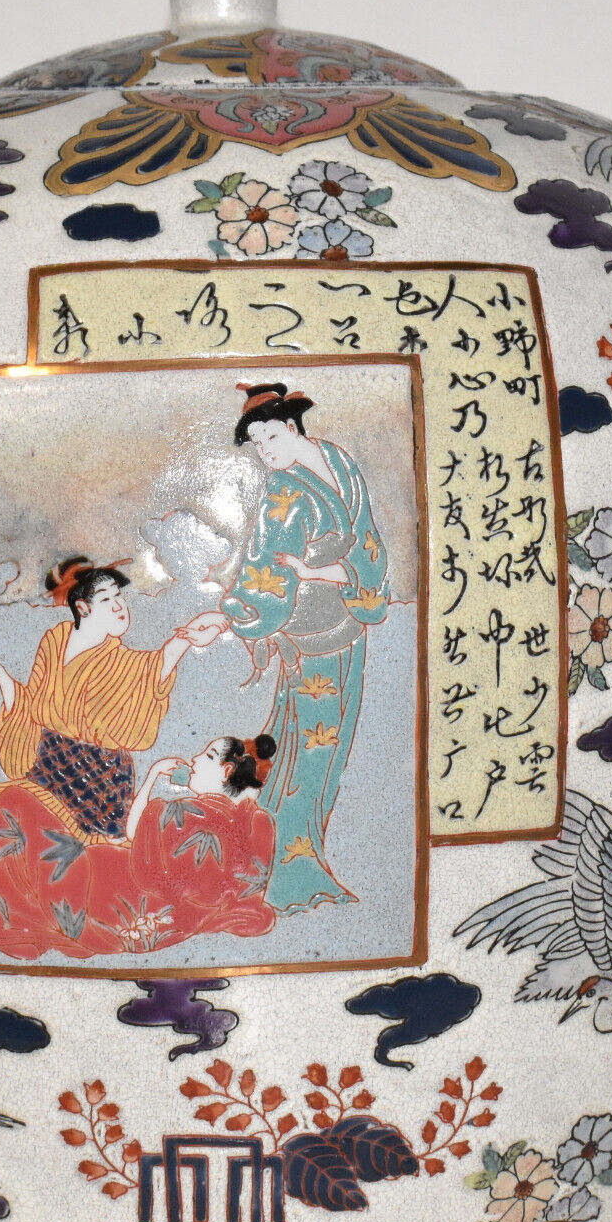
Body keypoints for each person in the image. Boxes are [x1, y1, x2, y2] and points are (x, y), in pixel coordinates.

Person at [186, 382, 389, 914]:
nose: (266, 452)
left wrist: (323, 570)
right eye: (256, 444)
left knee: (328, 751)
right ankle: (288, 871)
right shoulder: (283, 490)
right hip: (309, 636)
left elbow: (368, 544)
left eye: (271, 437)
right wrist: (235, 616)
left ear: (293, 427)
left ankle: (288, 857)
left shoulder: (340, 464)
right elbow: (263, 570)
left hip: (347, 623)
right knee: (305, 755)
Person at [0, 556, 205, 863]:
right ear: (83, 608)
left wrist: (185, 640)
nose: (119, 606)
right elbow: (30, 705)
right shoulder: (55, 640)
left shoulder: (122, 661)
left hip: (96, 785)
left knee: (17, 837)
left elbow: (153, 669)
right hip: (47, 772)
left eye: (119, 596)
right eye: (106, 599)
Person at [0, 733, 279, 962]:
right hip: (151, 923)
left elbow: (135, 830)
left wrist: (152, 776)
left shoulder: (190, 814)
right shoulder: (255, 823)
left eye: (207, 755)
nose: (195, 759)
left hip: (105, 904)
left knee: (16, 801)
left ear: (226, 771)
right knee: (44, 849)